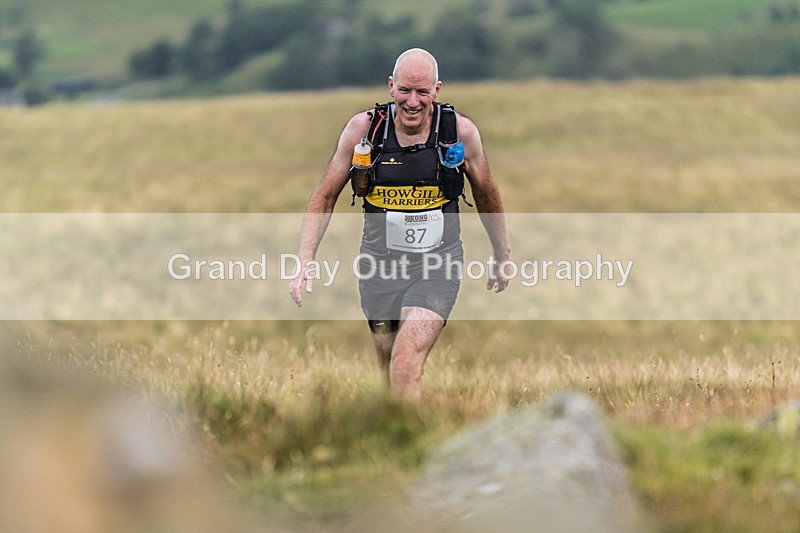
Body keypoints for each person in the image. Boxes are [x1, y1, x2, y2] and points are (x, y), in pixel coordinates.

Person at [289, 48, 511, 399]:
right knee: (388, 365)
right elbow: (324, 195)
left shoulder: (460, 133)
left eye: (422, 93)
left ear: (437, 91)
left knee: (406, 358)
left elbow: (486, 191)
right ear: (391, 86)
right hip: (378, 267)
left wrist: (502, 253)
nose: (412, 102)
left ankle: (415, 446)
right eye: (405, 90)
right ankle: (397, 436)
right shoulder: (364, 131)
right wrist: (305, 257)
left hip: (438, 265)